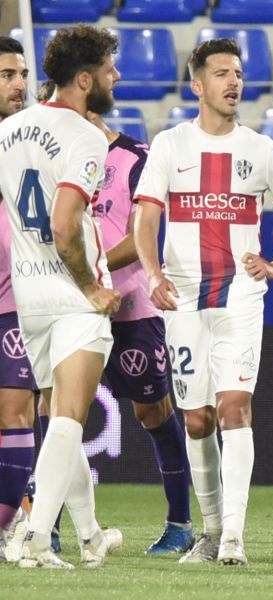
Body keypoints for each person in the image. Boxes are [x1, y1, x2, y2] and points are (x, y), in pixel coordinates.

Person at [134, 38, 273, 566]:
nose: (233, 81)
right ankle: (211, 532)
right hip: (184, 298)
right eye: (221, 73)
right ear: (198, 85)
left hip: (240, 296)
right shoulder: (170, 145)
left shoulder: (261, 149)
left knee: (235, 407)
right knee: (196, 419)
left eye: (237, 72)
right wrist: (150, 273)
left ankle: (234, 536)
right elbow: (145, 219)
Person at [0, 24, 123, 569]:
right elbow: (66, 222)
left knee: (59, 419)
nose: (114, 77)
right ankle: (32, 536)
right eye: (108, 69)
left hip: (28, 297)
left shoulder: (10, 130)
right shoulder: (87, 136)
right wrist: (92, 286)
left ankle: (90, 535)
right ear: (83, 78)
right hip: (73, 299)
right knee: (69, 418)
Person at [87, 107, 195, 554]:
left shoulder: (135, 156)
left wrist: (91, 268)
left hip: (132, 306)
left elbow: (142, 235)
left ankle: (180, 523)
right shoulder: (56, 156)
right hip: (75, 304)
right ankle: (47, 526)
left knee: (152, 411)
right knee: (61, 412)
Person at [0, 35, 37, 563]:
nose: (20, 84)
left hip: (15, 297)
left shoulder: (26, 140)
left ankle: (10, 523)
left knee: (16, 412)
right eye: (8, 74)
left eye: (22, 74)